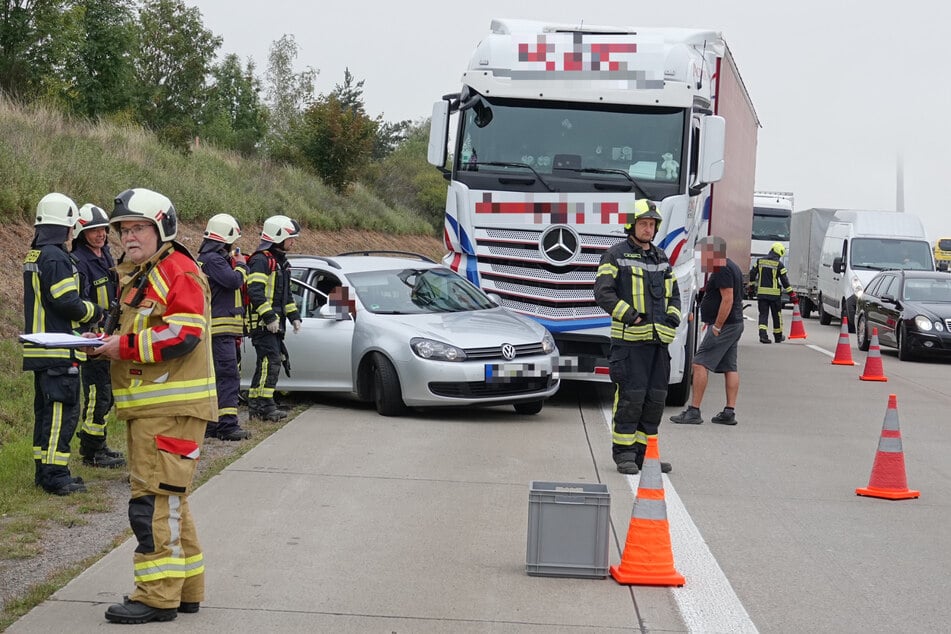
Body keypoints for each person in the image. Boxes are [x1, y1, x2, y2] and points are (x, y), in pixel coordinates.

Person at [88, 188, 217, 624]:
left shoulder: (176, 271)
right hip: (156, 410)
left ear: (162, 226)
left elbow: (183, 336)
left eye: (139, 227)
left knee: (153, 504)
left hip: (170, 410)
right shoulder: (147, 272)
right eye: (123, 229)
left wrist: (121, 347)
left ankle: (156, 596)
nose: (129, 236)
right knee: (172, 501)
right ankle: (186, 591)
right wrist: (104, 343)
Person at [22, 193, 105, 495]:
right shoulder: (56, 257)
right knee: (62, 411)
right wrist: (96, 311)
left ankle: (43, 471)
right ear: (68, 227)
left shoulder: (35, 255)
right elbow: (67, 301)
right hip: (59, 348)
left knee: (45, 412)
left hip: (41, 347)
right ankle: (56, 475)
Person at [594, 199, 679, 475]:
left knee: (655, 400)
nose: (648, 229)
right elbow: (603, 293)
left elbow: (674, 293)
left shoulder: (661, 257)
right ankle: (625, 455)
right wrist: (631, 316)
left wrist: (673, 318)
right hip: (629, 344)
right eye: (643, 223)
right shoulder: (615, 255)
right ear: (632, 225)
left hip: (658, 343)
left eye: (652, 224)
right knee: (630, 398)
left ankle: (646, 455)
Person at [71, 203, 126, 468]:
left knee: (106, 393)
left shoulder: (105, 255)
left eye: (103, 229)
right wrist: (94, 323)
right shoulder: (80, 262)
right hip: (91, 338)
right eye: (94, 231)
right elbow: (78, 302)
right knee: (97, 394)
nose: (101, 234)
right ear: (82, 233)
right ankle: (91, 451)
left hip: (108, 334)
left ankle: (99, 443)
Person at [671, 236, 744, 426]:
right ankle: (729, 412)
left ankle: (694, 411)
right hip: (734, 324)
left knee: (699, 363)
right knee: (730, 367)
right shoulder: (732, 266)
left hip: (725, 326)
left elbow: (727, 299)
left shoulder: (722, 269)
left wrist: (717, 326)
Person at [197, 213, 252, 441]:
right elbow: (233, 281)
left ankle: (212, 424)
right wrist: (241, 266)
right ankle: (227, 426)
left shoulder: (209, 258)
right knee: (228, 376)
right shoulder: (213, 260)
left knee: (217, 378)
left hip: (220, 329)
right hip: (220, 330)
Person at [246, 214, 302, 421]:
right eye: (290, 238)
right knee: (271, 362)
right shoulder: (262, 260)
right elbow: (255, 291)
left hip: (275, 323)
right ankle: (263, 406)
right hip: (263, 324)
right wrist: (269, 317)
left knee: (270, 362)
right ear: (278, 237)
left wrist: (294, 316)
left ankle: (262, 403)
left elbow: (285, 295)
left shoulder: (280, 263)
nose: (293, 242)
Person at [749, 242, 796, 343]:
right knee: (777, 316)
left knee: (763, 315)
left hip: (762, 294)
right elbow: (784, 281)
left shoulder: (760, 261)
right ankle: (778, 336)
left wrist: (751, 286)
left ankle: (763, 336)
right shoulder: (779, 264)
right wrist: (791, 294)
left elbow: (752, 273)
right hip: (774, 296)